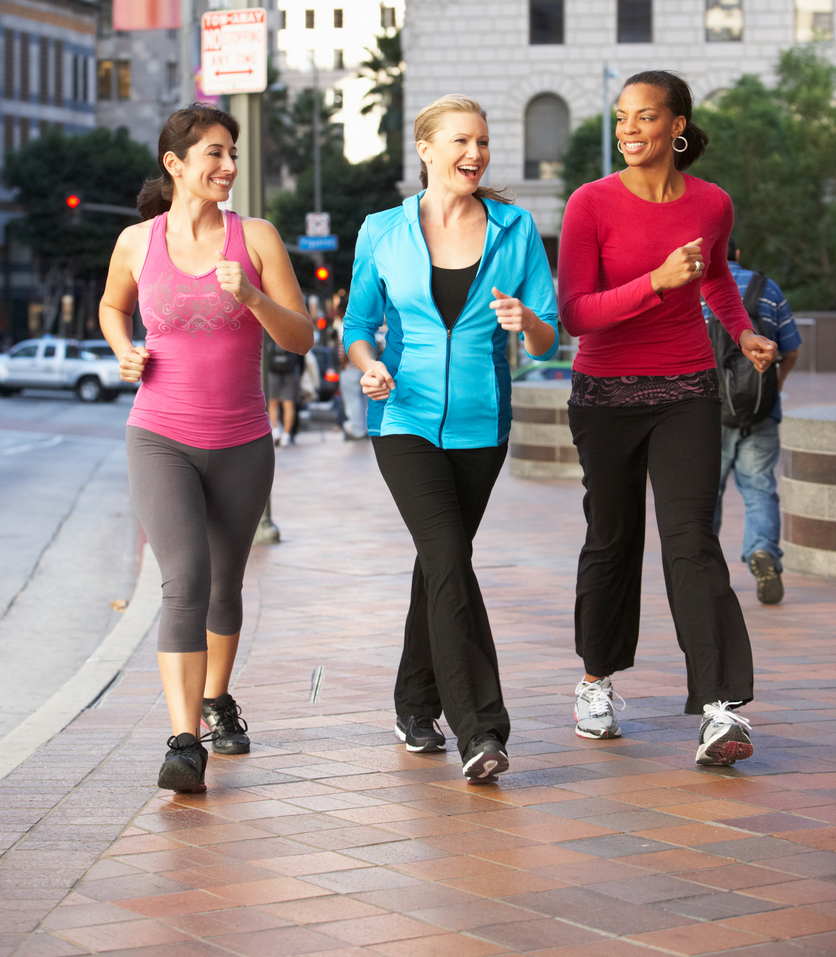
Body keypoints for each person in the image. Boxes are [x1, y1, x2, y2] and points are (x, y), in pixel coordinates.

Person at [558, 70, 778, 767]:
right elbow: (574, 312)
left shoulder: (712, 203)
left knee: (691, 537)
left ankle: (720, 707)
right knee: (613, 539)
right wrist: (653, 283)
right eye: (622, 118)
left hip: (687, 388)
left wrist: (741, 332)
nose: (628, 130)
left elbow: (714, 276)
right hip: (606, 395)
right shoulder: (590, 204)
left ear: (676, 126)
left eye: (644, 118)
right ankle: (596, 681)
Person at [343, 94, 558, 782]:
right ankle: (482, 730)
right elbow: (355, 327)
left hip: (481, 424)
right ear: (428, 149)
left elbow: (550, 336)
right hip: (401, 418)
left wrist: (525, 319)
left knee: (442, 561)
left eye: (484, 142)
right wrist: (369, 365)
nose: (476, 155)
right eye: (462, 141)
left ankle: (413, 703)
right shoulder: (381, 229)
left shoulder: (514, 228)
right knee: (446, 554)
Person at [99, 105, 313, 793]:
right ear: (176, 165)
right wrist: (123, 350)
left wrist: (250, 294)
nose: (228, 167)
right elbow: (111, 305)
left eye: (233, 154)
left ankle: (218, 700)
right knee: (184, 579)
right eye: (215, 155)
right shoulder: (138, 242)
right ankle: (185, 740)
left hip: (244, 440)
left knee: (225, 585)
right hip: (159, 435)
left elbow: (300, 338)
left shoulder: (256, 238)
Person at [704, 237, 800, 605]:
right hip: (760, 412)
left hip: (709, 412)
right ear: (738, 254)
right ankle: (763, 552)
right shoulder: (768, 289)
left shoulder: (695, 290)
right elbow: (790, 349)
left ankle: (706, 573)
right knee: (760, 490)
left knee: (706, 496)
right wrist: (772, 386)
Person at [266, 336, 304, 447]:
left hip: (273, 371)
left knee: (272, 402)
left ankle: (276, 431)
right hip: (290, 372)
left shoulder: (269, 333)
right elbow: (301, 358)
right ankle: (286, 435)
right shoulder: (291, 332)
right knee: (289, 404)